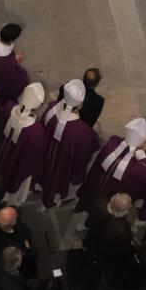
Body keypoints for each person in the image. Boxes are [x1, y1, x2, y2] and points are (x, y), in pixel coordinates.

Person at [0, 82, 49, 205]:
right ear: (37, 107)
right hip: (14, 166)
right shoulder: (37, 132)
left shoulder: (8, 108)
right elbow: (32, 159)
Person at [40, 79, 99, 207]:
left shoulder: (51, 109)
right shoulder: (83, 131)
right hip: (63, 165)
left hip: (45, 155)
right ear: (80, 105)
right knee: (57, 180)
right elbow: (85, 154)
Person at [77, 118, 146, 210]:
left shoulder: (113, 142)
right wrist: (144, 159)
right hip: (110, 196)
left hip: (94, 184)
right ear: (141, 144)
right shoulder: (137, 167)